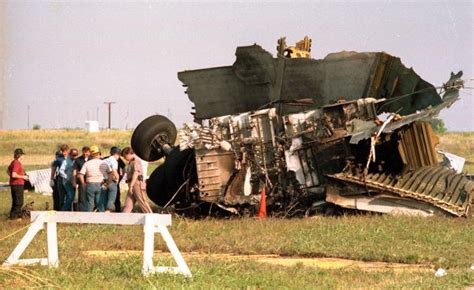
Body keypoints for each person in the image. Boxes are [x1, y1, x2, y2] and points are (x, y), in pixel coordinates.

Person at [78, 145, 110, 212]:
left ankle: (89, 218)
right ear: (99, 153)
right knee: (100, 202)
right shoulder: (104, 163)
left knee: (90, 202)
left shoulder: (87, 163)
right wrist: (107, 183)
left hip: (90, 184)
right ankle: (101, 219)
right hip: (101, 184)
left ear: (91, 154)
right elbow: (111, 174)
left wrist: (83, 184)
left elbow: (80, 175)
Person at [121, 147, 152, 213]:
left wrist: (131, 186)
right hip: (132, 183)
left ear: (129, 153)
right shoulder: (131, 161)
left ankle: (152, 218)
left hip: (136, 183)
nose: (124, 158)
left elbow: (136, 173)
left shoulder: (136, 160)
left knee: (142, 201)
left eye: (124, 156)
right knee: (128, 204)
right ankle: (124, 218)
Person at [7, 148, 29, 220]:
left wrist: (12, 177)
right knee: (19, 202)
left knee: (16, 201)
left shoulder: (13, 162)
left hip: (14, 184)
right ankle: (15, 218)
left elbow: (8, 171)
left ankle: (13, 217)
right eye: (22, 154)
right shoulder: (17, 163)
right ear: (20, 155)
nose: (23, 156)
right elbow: (13, 174)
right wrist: (23, 177)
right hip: (17, 184)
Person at [50, 144, 69, 210]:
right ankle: (61, 212)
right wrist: (51, 179)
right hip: (60, 179)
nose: (63, 153)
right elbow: (54, 168)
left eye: (65, 151)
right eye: (62, 151)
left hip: (69, 179)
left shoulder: (71, 157)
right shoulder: (59, 159)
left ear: (67, 151)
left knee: (69, 197)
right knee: (61, 197)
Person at [72, 146, 90, 211]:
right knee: (82, 198)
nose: (85, 154)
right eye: (84, 152)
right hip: (81, 182)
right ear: (82, 152)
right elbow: (74, 171)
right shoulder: (78, 160)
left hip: (90, 181)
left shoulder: (92, 159)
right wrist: (74, 181)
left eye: (87, 152)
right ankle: (81, 212)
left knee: (89, 197)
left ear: (89, 152)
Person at [103, 147, 121, 212]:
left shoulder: (105, 160)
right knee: (112, 197)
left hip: (103, 181)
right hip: (111, 181)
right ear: (117, 154)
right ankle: (108, 211)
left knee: (104, 197)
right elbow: (114, 171)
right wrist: (117, 178)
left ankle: (101, 210)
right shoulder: (114, 160)